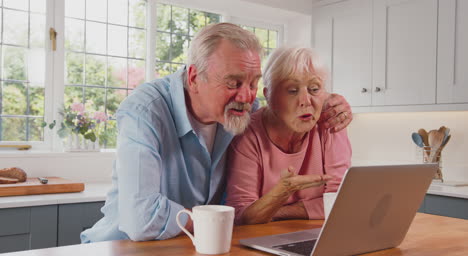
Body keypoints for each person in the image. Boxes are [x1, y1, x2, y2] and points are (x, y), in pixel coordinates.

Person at [81, 23, 352, 243]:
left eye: (253, 83)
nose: (247, 96)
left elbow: (283, 107)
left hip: (192, 246)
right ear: (195, 77)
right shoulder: (146, 111)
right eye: (234, 83)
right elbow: (141, 219)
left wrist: (330, 103)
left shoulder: (240, 110)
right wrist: (217, 220)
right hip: (121, 249)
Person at [225, 46, 352, 225]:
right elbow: (242, 215)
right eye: (292, 91)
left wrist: (277, 210)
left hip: (318, 233)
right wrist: (285, 192)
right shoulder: (248, 135)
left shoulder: (330, 122)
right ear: (269, 96)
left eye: (314, 89)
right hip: (261, 239)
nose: (306, 101)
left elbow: (340, 201)